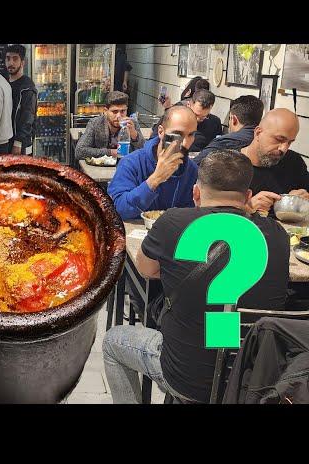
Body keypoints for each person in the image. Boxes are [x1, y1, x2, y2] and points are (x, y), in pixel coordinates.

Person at [103, 149, 290, 404]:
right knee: (223, 324)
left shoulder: (172, 221)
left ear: (196, 193)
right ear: (247, 197)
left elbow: (146, 270)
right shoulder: (278, 234)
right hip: (252, 382)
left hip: (186, 379)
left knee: (114, 341)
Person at [108, 106, 199, 220]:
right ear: (161, 132)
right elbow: (117, 210)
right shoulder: (131, 163)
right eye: (177, 134)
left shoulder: (191, 170)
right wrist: (155, 179)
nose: (185, 143)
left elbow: (190, 213)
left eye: (191, 135)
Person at [239, 108, 309, 216]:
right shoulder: (230, 165)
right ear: (258, 133)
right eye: (279, 139)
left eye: (289, 142)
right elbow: (212, 215)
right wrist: (247, 207)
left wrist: (303, 199)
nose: (283, 148)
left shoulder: (294, 162)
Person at [194, 95, 264, 164]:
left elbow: (194, 166)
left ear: (234, 119)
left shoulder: (224, 143)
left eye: (229, 118)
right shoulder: (265, 142)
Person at [75, 91, 145, 160]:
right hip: (100, 169)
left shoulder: (132, 124)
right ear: (105, 111)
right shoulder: (95, 123)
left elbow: (145, 152)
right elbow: (79, 151)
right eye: (114, 112)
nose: (119, 116)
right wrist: (110, 152)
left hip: (126, 167)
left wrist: (134, 135)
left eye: (123, 111)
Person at [158, 83, 223, 151]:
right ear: (189, 105)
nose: (198, 119)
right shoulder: (176, 118)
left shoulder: (214, 122)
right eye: (196, 115)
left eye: (204, 116)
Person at [5, 44, 37, 156]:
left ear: (22, 62)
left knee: (23, 172)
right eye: (8, 58)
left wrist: (18, 142)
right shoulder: (5, 83)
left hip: (21, 143)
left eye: (15, 59)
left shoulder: (27, 86)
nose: (11, 63)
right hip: (7, 141)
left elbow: (28, 117)